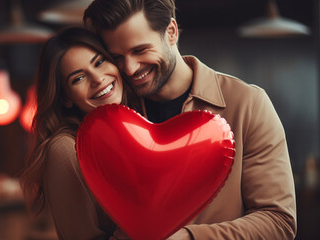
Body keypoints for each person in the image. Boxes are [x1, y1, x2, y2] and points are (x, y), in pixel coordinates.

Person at [83, 0, 297, 239]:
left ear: (171, 32)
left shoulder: (248, 103)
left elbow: (279, 222)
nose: (130, 68)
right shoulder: (113, 119)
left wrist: (189, 238)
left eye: (140, 50)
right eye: (118, 57)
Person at [20, 27, 139, 239]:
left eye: (99, 62)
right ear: (66, 97)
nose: (98, 79)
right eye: (78, 78)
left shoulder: (135, 127)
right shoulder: (65, 149)